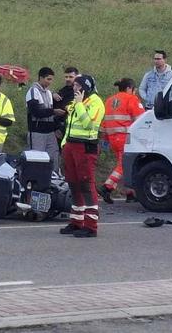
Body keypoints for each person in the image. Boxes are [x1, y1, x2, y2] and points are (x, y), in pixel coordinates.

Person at [59, 74, 105, 238]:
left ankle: (91, 225)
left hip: (85, 147)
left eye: (77, 85)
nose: (74, 88)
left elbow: (88, 124)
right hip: (71, 145)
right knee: (73, 184)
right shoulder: (76, 101)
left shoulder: (95, 102)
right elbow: (70, 125)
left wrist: (78, 105)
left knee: (86, 184)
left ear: (84, 87)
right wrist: (64, 144)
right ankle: (77, 221)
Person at [99, 78, 144, 204]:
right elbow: (141, 119)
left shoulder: (109, 100)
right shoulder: (131, 99)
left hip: (112, 138)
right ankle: (107, 187)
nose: (135, 93)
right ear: (129, 88)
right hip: (125, 137)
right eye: (134, 90)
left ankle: (129, 193)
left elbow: (105, 122)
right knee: (124, 165)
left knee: (123, 164)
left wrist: (105, 140)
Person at [26, 67, 65, 172]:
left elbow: (50, 114)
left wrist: (56, 127)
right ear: (40, 78)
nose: (50, 82)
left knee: (54, 157)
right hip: (37, 132)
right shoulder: (33, 91)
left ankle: (54, 180)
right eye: (48, 79)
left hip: (50, 132)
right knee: (37, 159)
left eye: (51, 79)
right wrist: (53, 111)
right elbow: (36, 112)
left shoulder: (48, 93)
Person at [54, 66, 80, 144]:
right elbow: (54, 106)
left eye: (71, 77)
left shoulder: (80, 92)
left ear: (77, 77)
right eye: (66, 77)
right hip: (59, 128)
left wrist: (61, 129)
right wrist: (52, 94)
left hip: (73, 131)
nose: (68, 79)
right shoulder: (63, 90)